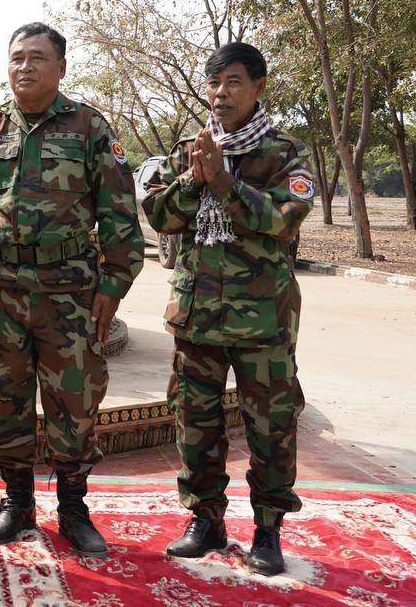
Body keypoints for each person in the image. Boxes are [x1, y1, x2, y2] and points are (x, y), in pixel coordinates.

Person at [0, 23, 143, 557]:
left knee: (74, 402)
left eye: (37, 57)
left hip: (70, 294)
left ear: (61, 68)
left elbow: (119, 213)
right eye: (17, 58)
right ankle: (17, 503)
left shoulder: (90, 128)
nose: (24, 67)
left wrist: (114, 285)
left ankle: (74, 509)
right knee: (3, 398)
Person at [141, 42, 312, 576]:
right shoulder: (190, 150)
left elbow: (284, 219)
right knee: (195, 422)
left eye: (233, 82)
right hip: (196, 317)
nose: (221, 93)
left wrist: (224, 182)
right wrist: (195, 178)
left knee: (271, 427)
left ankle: (268, 530)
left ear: (259, 87)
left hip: (263, 320)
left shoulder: (284, 154)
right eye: (214, 83)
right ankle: (206, 521)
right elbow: (161, 215)